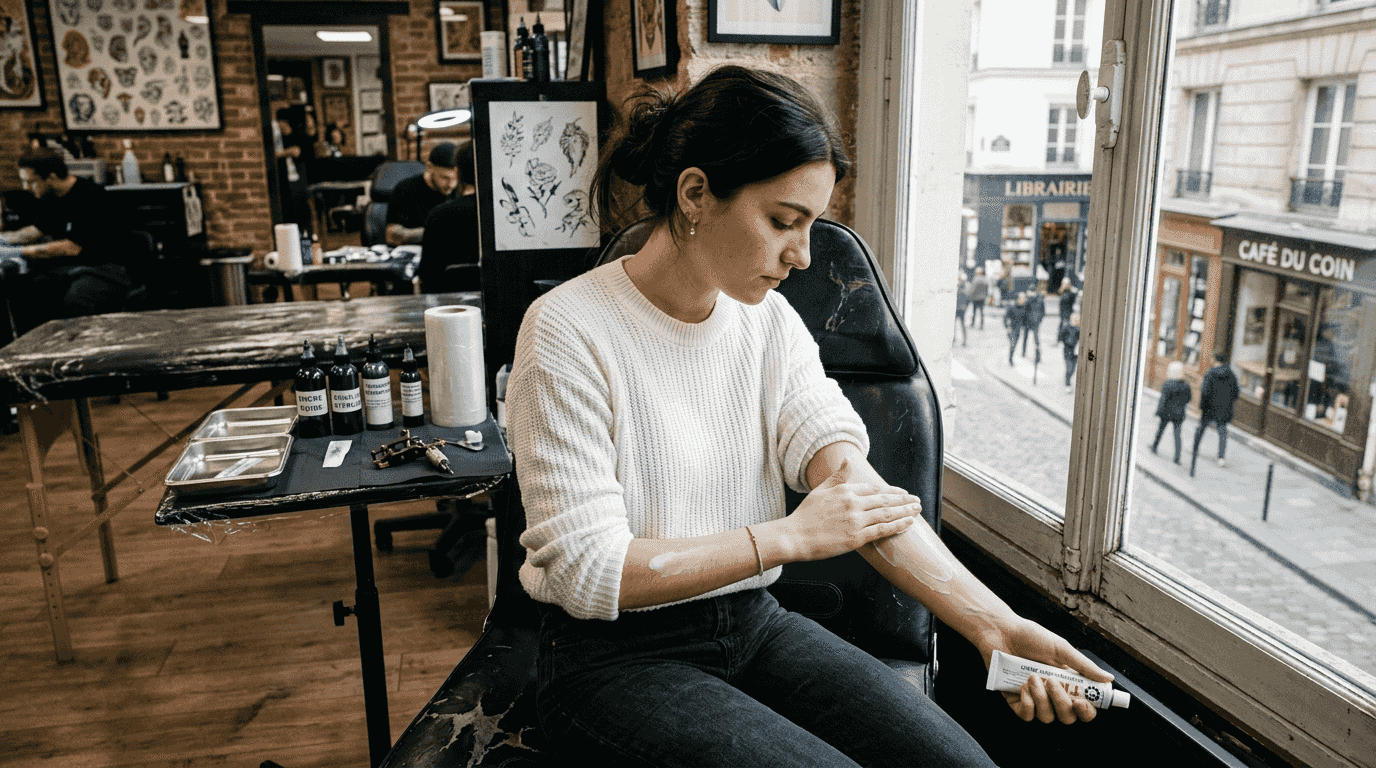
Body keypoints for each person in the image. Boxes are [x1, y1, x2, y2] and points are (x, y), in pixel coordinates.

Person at [507, 65, 1112, 768]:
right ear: (696, 192)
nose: (802, 255)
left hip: (752, 623)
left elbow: (858, 499)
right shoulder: (566, 330)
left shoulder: (768, 328)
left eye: (813, 226)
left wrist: (996, 627)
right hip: (608, 659)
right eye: (783, 222)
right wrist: (785, 539)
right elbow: (589, 571)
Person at [0, 148, 134, 332]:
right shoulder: (52, 197)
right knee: (20, 290)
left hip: (107, 269)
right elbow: (35, 230)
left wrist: (16, 251)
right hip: (73, 268)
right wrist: (4, 239)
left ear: (52, 176)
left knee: (75, 301)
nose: (26, 188)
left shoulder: (91, 197)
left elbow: (71, 248)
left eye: (31, 182)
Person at [419, 142, 479, 293]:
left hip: (448, 305)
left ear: (458, 173)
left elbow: (427, 276)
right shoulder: (507, 213)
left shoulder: (438, 216)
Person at [385, 141, 460, 246]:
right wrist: (439, 232)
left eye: (456, 178)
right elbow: (391, 236)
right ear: (429, 167)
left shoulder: (460, 189)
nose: (451, 185)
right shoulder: (405, 189)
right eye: (445, 178)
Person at [1193, 352, 1241, 468]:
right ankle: (1221, 458)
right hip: (1224, 408)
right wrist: (1228, 402)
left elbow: (1205, 392)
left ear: (1215, 360)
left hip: (1209, 407)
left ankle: (1195, 449)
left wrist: (1203, 406)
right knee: (1222, 432)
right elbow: (1236, 392)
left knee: (1201, 427)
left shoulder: (1210, 373)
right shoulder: (1231, 374)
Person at [1152, 361, 1192, 464]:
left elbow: (1163, 400)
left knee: (1160, 430)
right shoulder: (1186, 386)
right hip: (1179, 414)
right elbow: (1188, 399)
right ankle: (1177, 457)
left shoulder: (1168, 384)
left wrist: (1157, 413)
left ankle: (1154, 447)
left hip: (1166, 413)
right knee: (1177, 436)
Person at [1058, 311, 1080, 393]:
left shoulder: (1079, 329)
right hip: (1067, 351)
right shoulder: (1066, 327)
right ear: (1071, 319)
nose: (1076, 320)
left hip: (1075, 352)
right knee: (1069, 368)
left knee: (1073, 369)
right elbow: (1061, 336)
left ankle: (1068, 381)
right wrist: (1067, 342)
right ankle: (1067, 384)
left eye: (1078, 319)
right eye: (1075, 319)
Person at [1022, 287, 1045, 360]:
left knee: (1026, 338)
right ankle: (1037, 355)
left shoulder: (1028, 299)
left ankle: (1024, 352)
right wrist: (1039, 321)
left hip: (1028, 322)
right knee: (1035, 339)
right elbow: (1043, 312)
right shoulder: (1040, 299)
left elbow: (1024, 311)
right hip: (1034, 322)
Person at [1005, 292, 1027, 366]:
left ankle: (1011, 357)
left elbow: (1025, 319)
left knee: (1014, 345)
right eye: (1021, 299)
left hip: (1018, 330)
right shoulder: (1012, 307)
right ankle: (1010, 359)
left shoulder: (1024, 308)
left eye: (1024, 299)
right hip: (1011, 329)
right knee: (1013, 344)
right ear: (1018, 299)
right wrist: (1008, 327)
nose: (1023, 300)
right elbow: (1006, 317)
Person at [953, 270, 969, 347]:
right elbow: (968, 300)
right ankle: (964, 340)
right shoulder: (965, 291)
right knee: (962, 325)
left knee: (954, 325)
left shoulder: (958, 291)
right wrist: (966, 307)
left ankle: (953, 338)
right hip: (962, 309)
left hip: (957, 309)